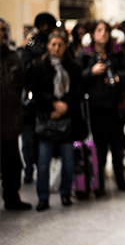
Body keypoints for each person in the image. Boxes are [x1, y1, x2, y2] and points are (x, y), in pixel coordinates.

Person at [77, 21, 125, 194]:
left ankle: (120, 179)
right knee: (100, 145)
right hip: (96, 106)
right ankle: (100, 181)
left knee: (118, 143)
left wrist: (118, 77)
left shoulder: (117, 50)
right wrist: (91, 72)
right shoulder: (86, 52)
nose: (102, 34)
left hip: (116, 105)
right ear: (93, 34)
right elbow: (77, 77)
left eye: (106, 31)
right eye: (99, 30)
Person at [31, 31, 84, 211]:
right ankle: (43, 197)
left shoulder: (74, 67)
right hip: (46, 120)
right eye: (53, 44)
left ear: (65, 46)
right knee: (43, 162)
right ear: (47, 45)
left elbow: (78, 91)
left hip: (68, 120)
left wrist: (65, 105)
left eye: (60, 44)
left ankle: (65, 193)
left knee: (68, 162)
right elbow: (36, 92)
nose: (56, 48)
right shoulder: (39, 67)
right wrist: (53, 104)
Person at [19, 12, 58, 184]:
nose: (45, 28)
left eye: (48, 24)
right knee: (28, 140)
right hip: (30, 102)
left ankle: (49, 169)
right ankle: (28, 169)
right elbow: (26, 69)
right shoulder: (31, 44)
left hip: (48, 100)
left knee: (46, 138)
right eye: (42, 24)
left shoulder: (56, 43)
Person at [0, 17, 32, 210]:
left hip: (10, 121)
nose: (2, 33)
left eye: (4, 29)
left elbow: (21, 85)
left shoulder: (13, 57)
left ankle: (12, 198)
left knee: (13, 165)